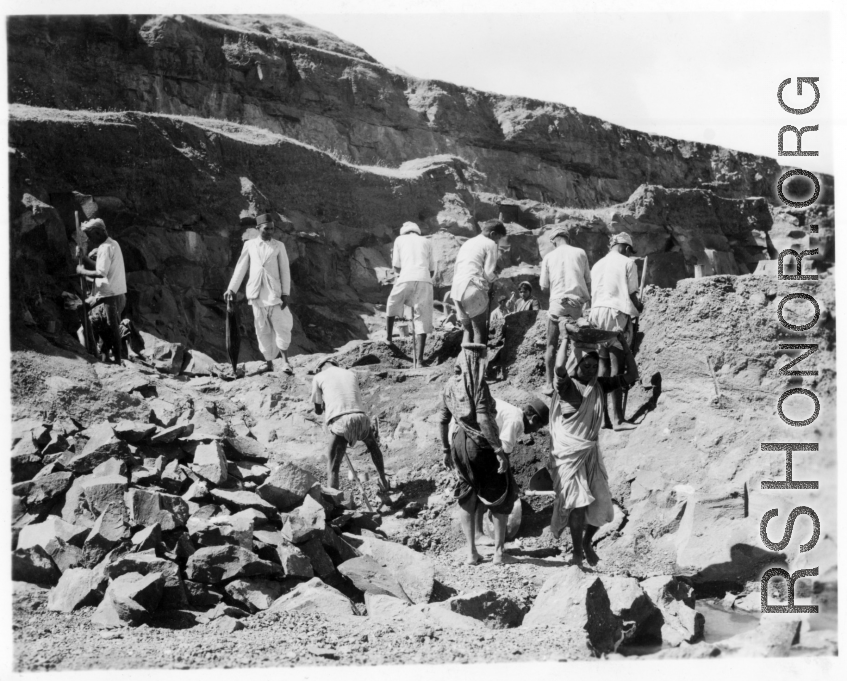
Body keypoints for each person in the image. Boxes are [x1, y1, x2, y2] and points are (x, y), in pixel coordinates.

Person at [547, 325, 638, 565]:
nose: (589, 369)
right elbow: (558, 368)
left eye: (594, 365)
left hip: (589, 454)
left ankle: (586, 542)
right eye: (584, 365)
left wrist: (622, 344)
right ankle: (577, 552)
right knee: (577, 504)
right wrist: (565, 339)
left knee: (602, 506)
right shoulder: (566, 386)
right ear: (575, 365)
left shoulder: (599, 386)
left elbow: (631, 377)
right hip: (569, 455)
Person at [439, 343, 516, 565]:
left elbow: (443, 419)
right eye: (483, 361)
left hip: (458, 443)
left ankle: (471, 552)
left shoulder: (450, 385)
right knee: (501, 492)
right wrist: (498, 450)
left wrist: (445, 448)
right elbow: (483, 419)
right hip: (479, 445)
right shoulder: (477, 385)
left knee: (467, 493)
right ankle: (500, 553)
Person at [225, 213, 293, 375]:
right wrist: (231, 289)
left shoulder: (279, 246)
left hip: (274, 294)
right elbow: (241, 268)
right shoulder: (250, 245)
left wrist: (285, 293)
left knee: (281, 326)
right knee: (262, 329)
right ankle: (269, 363)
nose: (270, 231)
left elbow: (285, 271)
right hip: (256, 294)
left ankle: (285, 362)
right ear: (258, 228)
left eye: (272, 229)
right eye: (266, 228)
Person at [588, 231, 644, 430]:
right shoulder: (628, 263)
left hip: (595, 314)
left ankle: (604, 420)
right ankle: (619, 419)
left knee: (602, 368)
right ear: (627, 248)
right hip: (615, 314)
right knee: (617, 368)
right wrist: (640, 308)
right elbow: (632, 296)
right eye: (630, 251)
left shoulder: (597, 265)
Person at [311, 358, 391, 492]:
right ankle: (384, 481)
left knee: (333, 465)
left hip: (340, 420)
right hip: (361, 417)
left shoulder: (318, 376)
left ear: (319, 368)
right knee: (373, 447)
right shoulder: (350, 373)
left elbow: (318, 410)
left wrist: (324, 405)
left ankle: (334, 498)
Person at [539, 223, 591, 396]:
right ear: (568, 238)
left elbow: (544, 285)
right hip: (577, 304)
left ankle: (549, 384)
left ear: (554, 241)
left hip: (557, 304)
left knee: (551, 346)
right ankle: (576, 380)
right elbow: (587, 279)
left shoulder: (549, 257)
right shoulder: (580, 252)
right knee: (577, 343)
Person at [76, 218, 127, 365]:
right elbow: (100, 269)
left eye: (90, 236)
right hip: (111, 291)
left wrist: (82, 271)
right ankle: (95, 351)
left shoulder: (105, 248)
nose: (90, 240)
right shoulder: (113, 244)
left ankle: (115, 359)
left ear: (97, 233)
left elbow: (100, 273)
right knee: (85, 310)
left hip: (109, 293)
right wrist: (84, 258)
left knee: (112, 327)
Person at [385, 221, 436, 366]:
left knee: (392, 305)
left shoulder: (399, 240)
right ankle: (419, 360)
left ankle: (388, 338)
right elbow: (432, 268)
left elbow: (396, 265)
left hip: (405, 277)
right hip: (424, 279)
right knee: (423, 317)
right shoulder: (427, 241)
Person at [450, 220, 506, 346]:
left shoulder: (468, 242)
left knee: (467, 330)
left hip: (457, 289)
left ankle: (466, 363)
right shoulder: (490, 243)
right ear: (492, 234)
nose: (497, 242)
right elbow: (488, 273)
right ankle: (478, 364)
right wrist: (497, 281)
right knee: (480, 330)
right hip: (472, 286)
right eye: (498, 238)